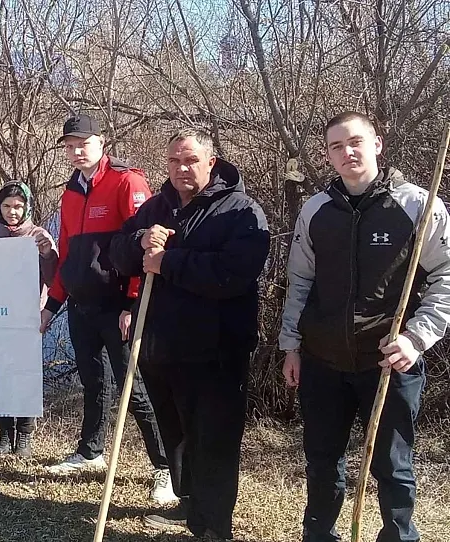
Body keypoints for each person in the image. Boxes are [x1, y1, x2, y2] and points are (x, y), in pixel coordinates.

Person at [280, 111, 450, 542]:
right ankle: (319, 535)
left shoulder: (417, 204)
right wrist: (291, 346)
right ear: (328, 156)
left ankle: (398, 536)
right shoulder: (317, 210)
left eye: (355, 141)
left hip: (389, 360)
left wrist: (416, 338)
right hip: (323, 359)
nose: (347, 152)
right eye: (336, 147)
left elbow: (447, 275)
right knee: (321, 460)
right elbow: (300, 280)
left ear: (377, 144)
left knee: (392, 464)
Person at [112, 128, 270, 540]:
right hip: (162, 346)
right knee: (178, 436)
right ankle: (191, 508)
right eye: (174, 161)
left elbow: (234, 274)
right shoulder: (158, 206)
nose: (181, 169)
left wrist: (169, 262)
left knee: (214, 439)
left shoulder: (241, 210)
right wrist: (140, 240)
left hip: (216, 350)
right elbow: (116, 252)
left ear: (211, 162)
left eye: (190, 160)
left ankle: (216, 526)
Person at [40, 113, 176, 505]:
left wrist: (133, 302)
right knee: (93, 383)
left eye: (83, 143)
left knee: (135, 389)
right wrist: (53, 304)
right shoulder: (69, 192)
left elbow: (143, 245)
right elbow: (67, 254)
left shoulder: (126, 181)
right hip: (82, 306)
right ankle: (90, 452)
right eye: (69, 146)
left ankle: (165, 468)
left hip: (119, 307)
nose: (76, 151)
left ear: (102, 142)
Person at [0, 180, 58, 457]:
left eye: (18, 207)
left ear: (27, 208)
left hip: (28, 318)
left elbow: (55, 279)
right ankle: (3, 432)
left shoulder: (39, 236)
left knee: (23, 376)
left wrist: (47, 255)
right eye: (7, 206)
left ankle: (24, 435)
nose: (12, 212)